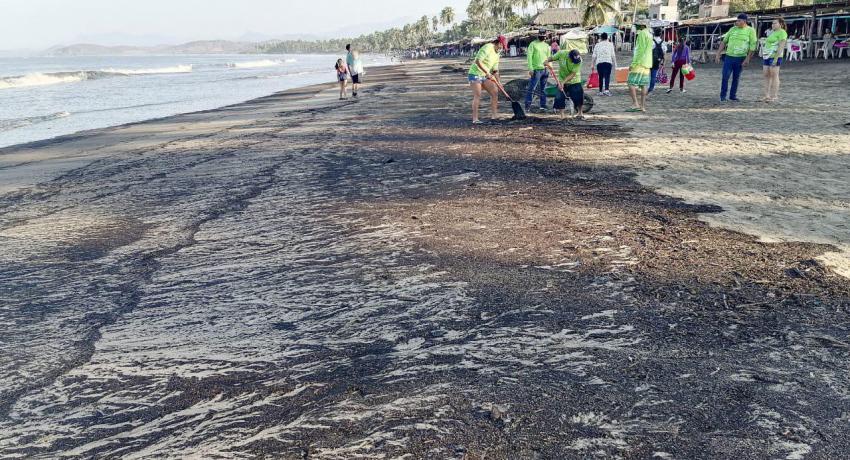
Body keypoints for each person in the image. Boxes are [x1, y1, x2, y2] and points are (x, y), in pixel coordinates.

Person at [715, 13, 758, 102]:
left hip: (741, 58)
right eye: (737, 20)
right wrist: (718, 54)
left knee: (736, 77)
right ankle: (723, 96)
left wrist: (747, 58)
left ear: (744, 21)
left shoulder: (751, 31)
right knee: (725, 76)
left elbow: (752, 46)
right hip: (729, 57)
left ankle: (732, 96)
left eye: (739, 20)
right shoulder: (732, 29)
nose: (737, 22)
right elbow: (724, 42)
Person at [468, 36, 508, 124]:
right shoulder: (487, 47)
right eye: (502, 46)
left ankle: (494, 115)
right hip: (475, 74)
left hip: (485, 76)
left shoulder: (497, 54)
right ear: (499, 43)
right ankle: (475, 119)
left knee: (495, 92)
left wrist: (499, 82)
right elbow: (478, 61)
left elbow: (495, 70)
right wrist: (487, 72)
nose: (502, 49)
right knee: (478, 94)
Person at [546, 49, 585, 119]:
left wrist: (563, 82)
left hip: (574, 80)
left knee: (578, 96)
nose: (574, 62)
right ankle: (562, 115)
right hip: (562, 78)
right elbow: (552, 58)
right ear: (569, 57)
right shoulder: (561, 53)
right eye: (573, 60)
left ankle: (580, 113)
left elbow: (572, 74)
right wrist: (546, 61)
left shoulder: (579, 61)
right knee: (559, 97)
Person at [627, 20, 653, 112]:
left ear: (642, 26)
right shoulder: (650, 34)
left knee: (630, 82)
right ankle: (642, 106)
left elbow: (640, 50)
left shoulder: (642, 34)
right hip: (647, 63)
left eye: (637, 25)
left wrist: (633, 64)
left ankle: (635, 104)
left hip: (640, 63)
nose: (636, 27)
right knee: (643, 84)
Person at [761, 18, 788, 103]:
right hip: (767, 56)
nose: (773, 25)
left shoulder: (782, 32)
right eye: (772, 23)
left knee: (774, 75)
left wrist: (776, 59)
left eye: (775, 23)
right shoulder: (772, 32)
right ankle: (766, 95)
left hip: (775, 56)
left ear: (781, 24)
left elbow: (781, 46)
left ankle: (774, 96)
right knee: (766, 74)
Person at [525, 31, 551, 113]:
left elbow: (549, 57)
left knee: (544, 89)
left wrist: (550, 67)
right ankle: (527, 106)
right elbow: (529, 57)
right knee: (532, 88)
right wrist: (530, 68)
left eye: (544, 36)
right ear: (538, 36)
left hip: (545, 70)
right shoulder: (533, 44)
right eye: (541, 35)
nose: (543, 37)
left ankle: (543, 105)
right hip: (536, 70)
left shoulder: (546, 46)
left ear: (546, 36)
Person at [592, 32, 617, 96]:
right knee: (607, 76)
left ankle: (600, 91)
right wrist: (615, 63)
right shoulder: (610, 44)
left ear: (601, 38)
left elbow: (594, 55)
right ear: (607, 37)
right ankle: (606, 90)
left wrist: (592, 64)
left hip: (599, 62)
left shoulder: (597, 45)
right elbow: (613, 55)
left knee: (600, 77)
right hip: (608, 62)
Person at [648, 28, 666, 93]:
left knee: (646, 75)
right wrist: (663, 62)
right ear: (660, 34)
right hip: (657, 61)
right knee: (653, 75)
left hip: (649, 60)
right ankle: (651, 89)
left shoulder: (651, 41)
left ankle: (645, 88)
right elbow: (664, 53)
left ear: (654, 33)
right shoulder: (663, 42)